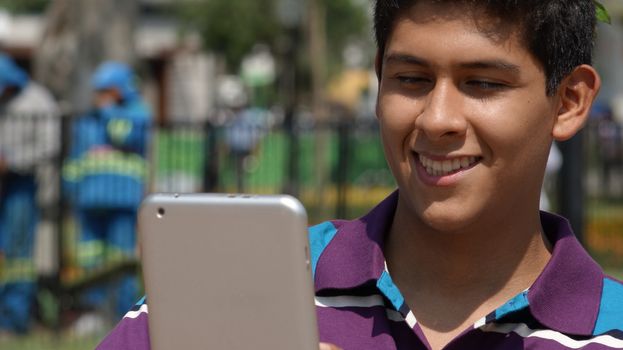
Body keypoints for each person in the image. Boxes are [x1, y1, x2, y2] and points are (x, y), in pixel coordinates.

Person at [98, 1, 623, 349]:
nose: (436, 119)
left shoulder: (611, 331)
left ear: (569, 102)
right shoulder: (233, 290)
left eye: (482, 83)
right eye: (411, 79)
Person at [63, 61, 151, 328]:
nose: (100, 95)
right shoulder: (87, 120)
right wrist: (70, 188)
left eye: (107, 90)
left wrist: (109, 111)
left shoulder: (137, 113)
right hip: (90, 200)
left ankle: (122, 316)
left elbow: (124, 136)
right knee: (91, 259)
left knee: (121, 261)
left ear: (122, 89)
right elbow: (76, 157)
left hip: (122, 200)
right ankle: (95, 312)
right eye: (99, 90)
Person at [0, 53, 60, 333]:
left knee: (18, 255)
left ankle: (14, 317)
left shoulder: (38, 99)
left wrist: (12, 162)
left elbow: (50, 147)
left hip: (21, 184)